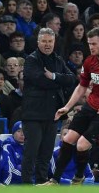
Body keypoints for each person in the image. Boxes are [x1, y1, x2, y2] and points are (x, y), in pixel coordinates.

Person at [41, 27, 99, 185]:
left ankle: (79, 178)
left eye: (94, 44)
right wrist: (67, 107)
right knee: (67, 139)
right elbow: (81, 87)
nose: (91, 47)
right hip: (90, 106)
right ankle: (54, 180)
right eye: (89, 43)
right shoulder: (89, 61)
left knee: (82, 145)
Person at [21, 27, 75, 184]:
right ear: (38, 42)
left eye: (50, 41)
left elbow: (72, 79)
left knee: (45, 154)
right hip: (33, 115)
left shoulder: (58, 60)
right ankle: (26, 186)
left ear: (54, 42)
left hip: (53, 114)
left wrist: (53, 76)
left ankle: (42, 182)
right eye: (44, 41)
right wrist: (58, 82)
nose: (47, 44)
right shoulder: (31, 60)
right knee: (31, 154)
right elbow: (39, 81)